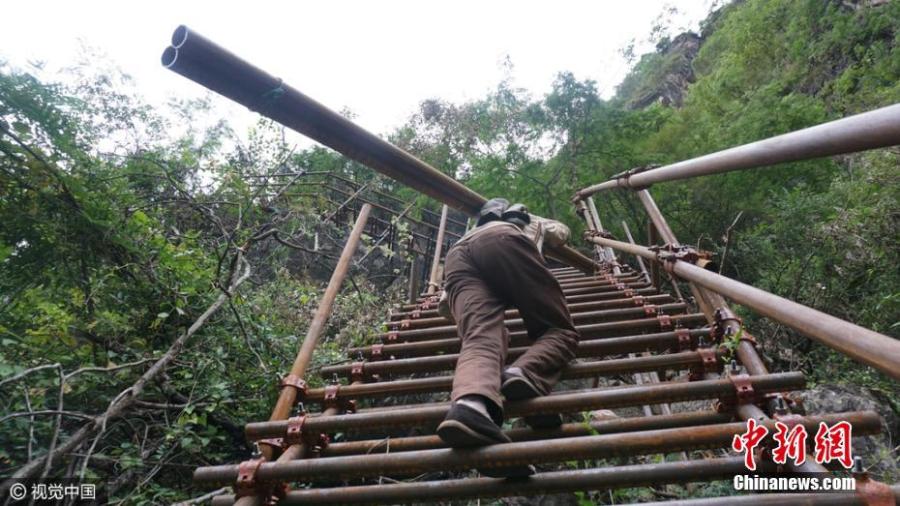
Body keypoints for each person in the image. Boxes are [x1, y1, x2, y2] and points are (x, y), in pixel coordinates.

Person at [434, 198, 580, 477]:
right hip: (504, 242)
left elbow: (445, 305)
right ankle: (523, 372)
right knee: (559, 329)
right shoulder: (526, 218)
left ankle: (470, 407)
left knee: (480, 339)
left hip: (456, 259)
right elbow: (560, 233)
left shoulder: (470, 230)